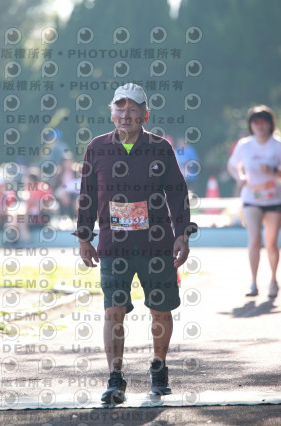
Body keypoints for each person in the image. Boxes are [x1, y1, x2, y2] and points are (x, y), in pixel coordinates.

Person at [74, 83, 197, 404]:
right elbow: (87, 195)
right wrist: (84, 236)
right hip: (113, 246)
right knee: (113, 310)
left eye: (132, 110)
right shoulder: (97, 148)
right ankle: (115, 378)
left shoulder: (160, 148)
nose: (125, 115)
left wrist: (183, 233)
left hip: (156, 244)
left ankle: (159, 368)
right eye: (120, 109)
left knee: (161, 310)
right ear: (111, 113)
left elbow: (177, 192)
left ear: (145, 115)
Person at [227, 105, 281, 298]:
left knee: (271, 242)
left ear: (270, 124)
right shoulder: (244, 145)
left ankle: (273, 280)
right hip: (251, 198)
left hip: (274, 199)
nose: (259, 126)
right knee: (254, 239)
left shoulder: (279, 145)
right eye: (255, 122)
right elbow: (232, 165)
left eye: (263, 122)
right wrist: (240, 177)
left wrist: (274, 171)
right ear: (250, 125)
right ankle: (253, 283)